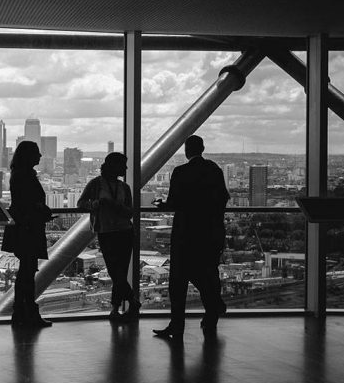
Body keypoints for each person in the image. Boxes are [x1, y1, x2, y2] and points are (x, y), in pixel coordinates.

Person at [152, 135, 230, 339]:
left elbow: (174, 203)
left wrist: (162, 206)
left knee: (178, 282)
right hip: (210, 233)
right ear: (203, 148)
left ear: (187, 151)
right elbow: (223, 199)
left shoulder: (181, 172)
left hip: (185, 234)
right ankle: (212, 313)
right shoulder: (214, 170)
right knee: (208, 273)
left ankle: (177, 325)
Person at [77, 152, 138, 321]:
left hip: (121, 231)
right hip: (110, 232)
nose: (125, 168)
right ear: (114, 166)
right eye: (123, 165)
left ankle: (116, 308)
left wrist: (112, 205)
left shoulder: (123, 187)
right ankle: (131, 301)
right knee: (116, 272)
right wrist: (97, 204)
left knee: (119, 272)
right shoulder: (96, 184)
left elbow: (129, 212)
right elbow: (81, 204)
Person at [1, 141, 54, 328]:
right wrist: (41, 211)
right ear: (29, 156)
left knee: (26, 272)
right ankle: (27, 312)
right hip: (29, 228)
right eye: (37, 153)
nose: (40, 156)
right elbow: (30, 202)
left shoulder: (18, 174)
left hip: (22, 228)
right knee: (27, 272)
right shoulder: (26, 176)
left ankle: (21, 313)